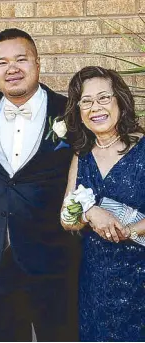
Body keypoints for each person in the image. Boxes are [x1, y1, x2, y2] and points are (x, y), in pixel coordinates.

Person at [0, 28, 81, 342]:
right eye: (2, 62)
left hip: (52, 256)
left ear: (38, 62)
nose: (11, 68)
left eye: (21, 59)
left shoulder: (69, 112)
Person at [61, 66, 145, 341]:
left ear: (120, 100)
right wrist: (89, 213)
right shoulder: (81, 156)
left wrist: (128, 231)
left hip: (139, 277)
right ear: (79, 111)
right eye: (86, 101)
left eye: (103, 98)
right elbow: (66, 217)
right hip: (95, 281)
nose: (95, 107)